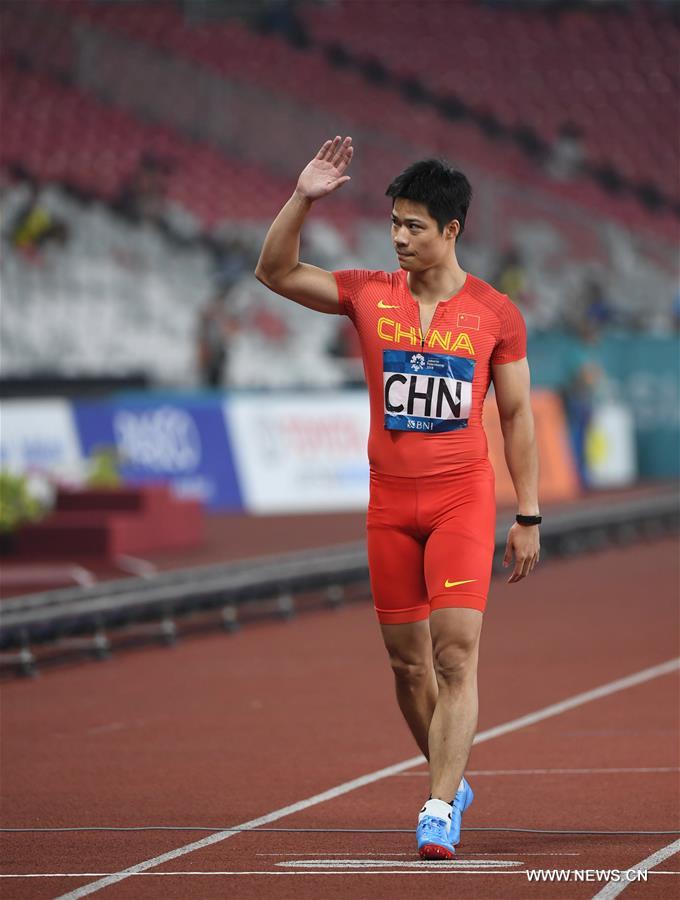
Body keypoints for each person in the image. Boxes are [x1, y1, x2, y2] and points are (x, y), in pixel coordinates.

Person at [255, 136, 540, 860]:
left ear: (451, 229)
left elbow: (515, 415)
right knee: (408, 668)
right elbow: (275, 271)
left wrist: (528, 513)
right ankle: (451, 776)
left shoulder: (497, 313)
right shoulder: (367, 293)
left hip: (461, 500)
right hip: (388, 505)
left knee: (455, 657)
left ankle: (438, 806)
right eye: (394, 224)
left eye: (414, 226)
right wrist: (303, 198)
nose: (399, 238)